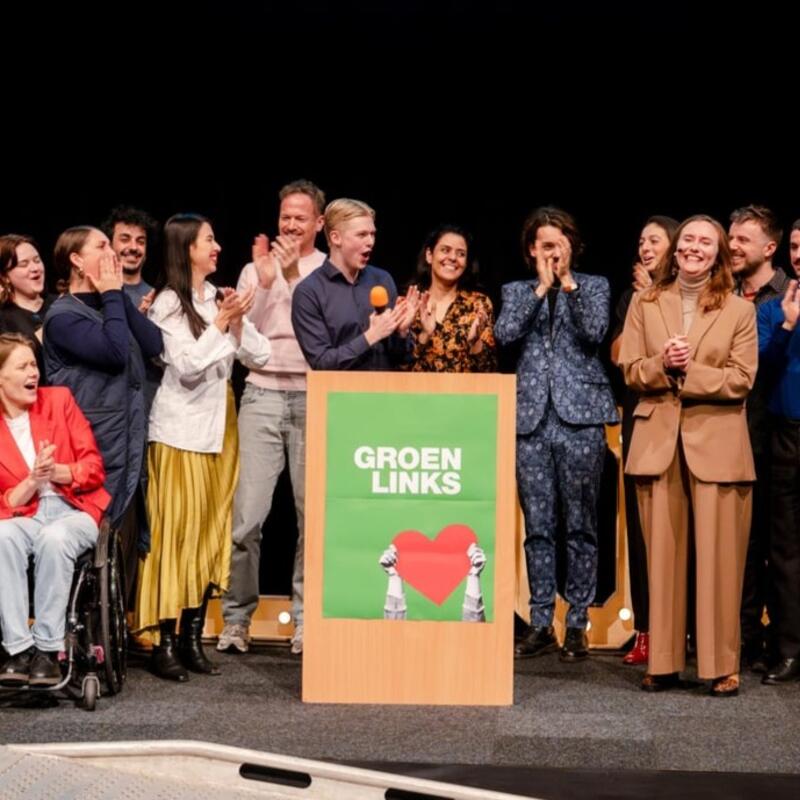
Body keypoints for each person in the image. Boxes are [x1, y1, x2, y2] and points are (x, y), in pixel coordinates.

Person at [619, 214, 756, 697]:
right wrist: (661, 365)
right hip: (658, 442)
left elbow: (741, 379)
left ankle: (721, 665)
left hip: (718, 446)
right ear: (676, 249)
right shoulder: (646, 302)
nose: (694, 248)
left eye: (706, 242)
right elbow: (631, 368)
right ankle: (664, 660)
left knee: (719, 560)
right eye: (688, 240)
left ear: (718, 254)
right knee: (663, 557)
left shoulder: (740, 311)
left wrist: (688, 371)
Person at [134, 213, 270, 681]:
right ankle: (164, 640)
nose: (216, 247)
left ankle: (193, 636)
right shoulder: (168, 303)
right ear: (186, 248)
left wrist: (236, 319)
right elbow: (187, 364)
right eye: (209, 240)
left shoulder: (217, 297)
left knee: (210, 533)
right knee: (179, 536)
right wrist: (222, 323)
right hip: (179, 433)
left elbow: (261, 354)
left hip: (220, 429)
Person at [495, 206, 618, 662]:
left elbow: (594, 333)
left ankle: (578, 623)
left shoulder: (594, 286)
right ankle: (542, 620)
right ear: (532, 250)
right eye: (545, 244)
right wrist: (541, 289)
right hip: (530, 420)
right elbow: (504, 334)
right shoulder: (515, 291)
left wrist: (567, 284)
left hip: (581, 418)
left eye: (560, 243)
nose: (553, 251)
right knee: (539, 528)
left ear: (572, 247)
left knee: (581, 525)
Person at [219, 179, 326, 657]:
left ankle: (307, 621)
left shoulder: (327, 271)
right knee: (247, 520)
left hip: (313, 396)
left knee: (312, 517)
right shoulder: (252, 270)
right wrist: (265, 281)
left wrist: (294, 276)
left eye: (300, 217)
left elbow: (324, 332)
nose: (290, 224)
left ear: (320, 224)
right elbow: (245, 337)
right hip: (261, 393)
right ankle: (236, 619)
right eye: (285, 216)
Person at [43, 226, 163, 612]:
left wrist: (117, 296)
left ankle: (110, 633)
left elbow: (154, 344)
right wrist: (114, 293)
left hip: (124, 437)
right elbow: (113, 353)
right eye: (102, 246)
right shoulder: (63, 316)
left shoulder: (110, 305)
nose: (112, 253)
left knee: (122, 536)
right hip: (90, 442)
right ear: (76, 260)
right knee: (88, 538)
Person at [0, 333, 109, 687]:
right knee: (2, 537)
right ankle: (18, 648)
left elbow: (93, 467)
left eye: (34, 364)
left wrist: (59, 472)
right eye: (22, 366)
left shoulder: (58, 401)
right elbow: (6, 505)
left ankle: (48, 649)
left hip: (70, 510)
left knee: (54, 536)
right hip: (22, 515)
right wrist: (33, 480)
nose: (34, 372)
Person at [610, 216, 678, 665]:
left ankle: (687, 630)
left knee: (684, 530)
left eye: (655, 240)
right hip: (643, 415)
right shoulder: (632, 298)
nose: (646, 247)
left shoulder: (696, 297)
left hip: (690, 417)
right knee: (643, 527)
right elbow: (619, 356)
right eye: (641, 241)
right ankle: (647, 632)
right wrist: (640, 301)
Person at [728, 205, 792, 671]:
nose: (732, 246)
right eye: (729, 238)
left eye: (742, 239)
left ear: (770, 248)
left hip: (772, 431)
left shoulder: (782, 294)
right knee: (740, 544)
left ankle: (781, 637)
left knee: (778, 543)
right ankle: (744, 635)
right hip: (727, 431)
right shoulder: (720, 291)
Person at [291, 198, 414, 371]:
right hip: (339, 396)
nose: (370, 242)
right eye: (362, 234)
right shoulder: (309, 292)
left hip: (386, 393)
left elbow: (402, 358)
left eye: (372, 234)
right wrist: (371, 336)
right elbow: (321, 363)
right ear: (336, 238)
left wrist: (402, 333)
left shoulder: (382, 280)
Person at [757, 266, 800, 684]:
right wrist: (788, 323)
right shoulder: (772, 309)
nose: (799, 256)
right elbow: (761, 368)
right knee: (785, 549)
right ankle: (788, 648)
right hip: (786, 433)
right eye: (795, 248)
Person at [406, 224, 497, 372]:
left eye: (461, 254)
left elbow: (489, 370)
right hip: (418, 393)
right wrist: (425, 335)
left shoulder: (478, 304)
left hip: (464, 393)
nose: (453, 258)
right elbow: (398, 368)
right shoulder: (411, 302)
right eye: (445, 250)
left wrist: (475, 342)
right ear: (429, 255)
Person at [0, 235, 58, 376]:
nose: (35, 268)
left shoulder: (62, 304)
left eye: (37, 260)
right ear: (5, 276)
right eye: (23, 264)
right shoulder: (3, 318)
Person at [101, 206, 159, 311]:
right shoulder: (97, 293)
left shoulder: (156, 298)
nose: (133, 247)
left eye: (140, 241)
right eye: (125, 239)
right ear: (109, 245)